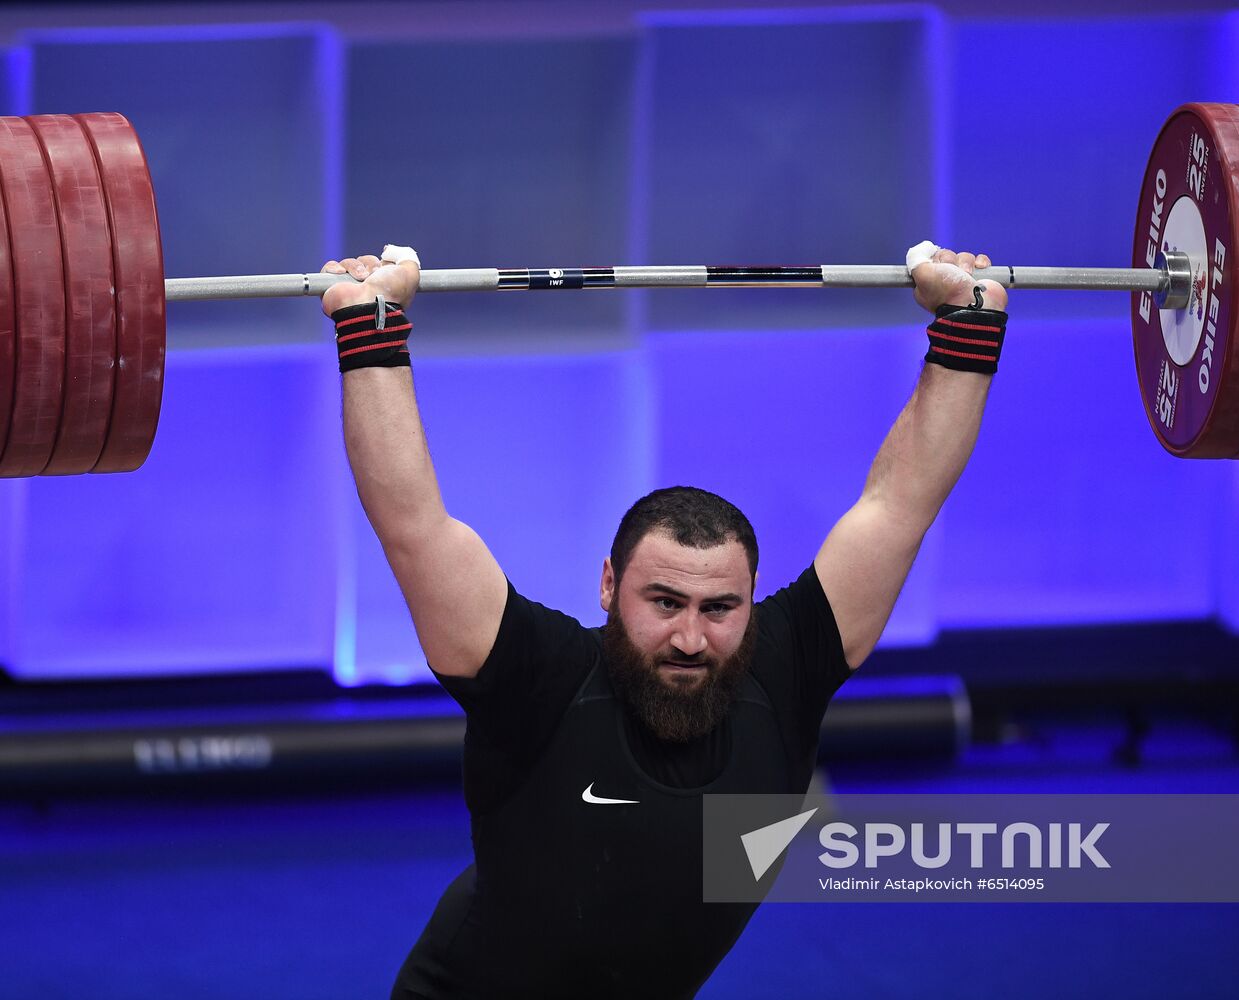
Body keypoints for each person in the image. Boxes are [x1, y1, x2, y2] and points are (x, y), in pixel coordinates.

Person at [321, 245, 1009, 999]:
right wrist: (371, 325)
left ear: (751, 598)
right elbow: (413, 526)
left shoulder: (784, 666)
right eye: (664, 603)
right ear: (610, 586)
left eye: (720, 609)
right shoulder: (538, 677)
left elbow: (900, 503)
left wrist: (968, 322)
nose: (690, 638)